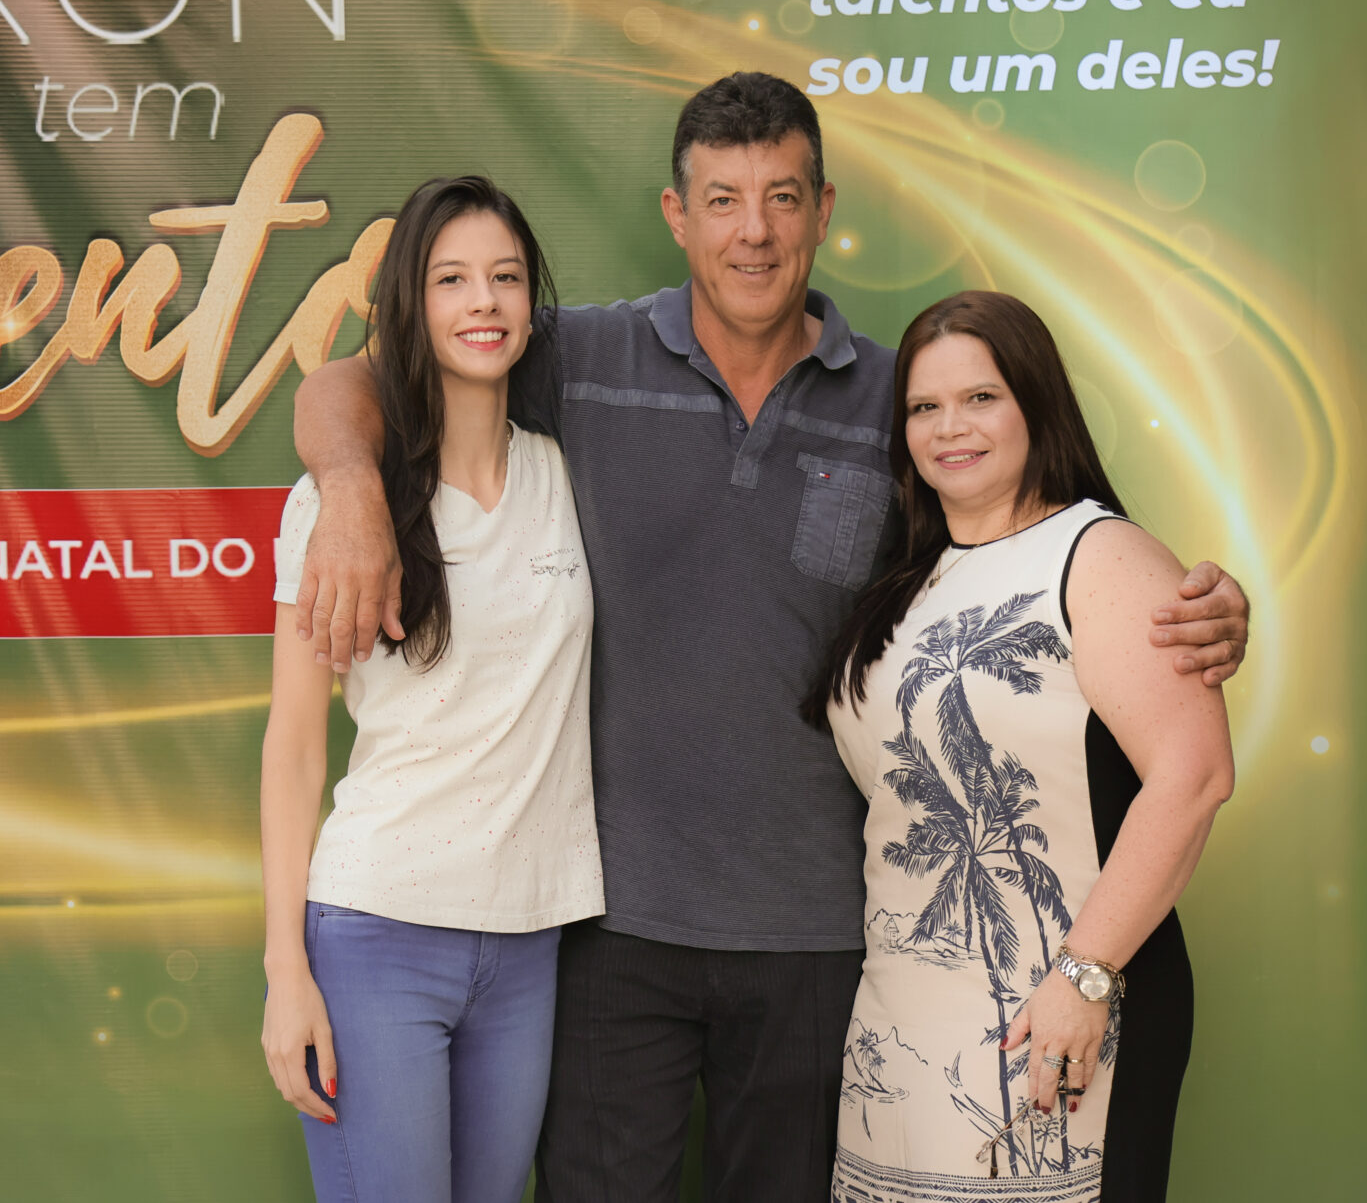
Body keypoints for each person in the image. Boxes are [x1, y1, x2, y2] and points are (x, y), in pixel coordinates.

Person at [291, 73, 1250, 1199]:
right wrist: (350, 488)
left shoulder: (903, 402)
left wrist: (1188, 607)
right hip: (609, 931)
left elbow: (1025, 547)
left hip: (820, 941)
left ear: (822, 208)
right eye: (723, 199)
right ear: (675, 214)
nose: (753, 230)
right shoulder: (580, 361)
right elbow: (355, 380)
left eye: (782, 197)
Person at [812, 290, 1233, 1202]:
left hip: (1067, 1010)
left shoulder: (1100, 554)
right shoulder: (908, 580)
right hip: (902, 1021)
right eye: (924, 406)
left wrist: (1084, 977)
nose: (949, 427)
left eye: (981, 397)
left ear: (1036, 402)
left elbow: (1193, 775)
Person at [258, 176, 605, 1203]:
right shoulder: (336, 505)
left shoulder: (568, 475)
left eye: (505, 277)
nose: (482, 302)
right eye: (450, 279)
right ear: (408, 304)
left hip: (531, 941)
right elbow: (293, 748)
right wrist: (286, 971)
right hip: (378, 931)